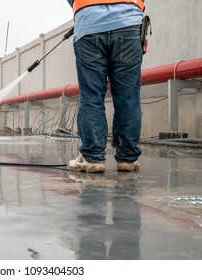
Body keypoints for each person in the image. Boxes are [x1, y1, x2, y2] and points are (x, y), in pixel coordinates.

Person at [66, 0, 145, 173]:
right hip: (128, 25)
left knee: (91, 96)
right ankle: (128, 159)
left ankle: (93, 158)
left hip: (89, 26)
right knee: (128, 98)